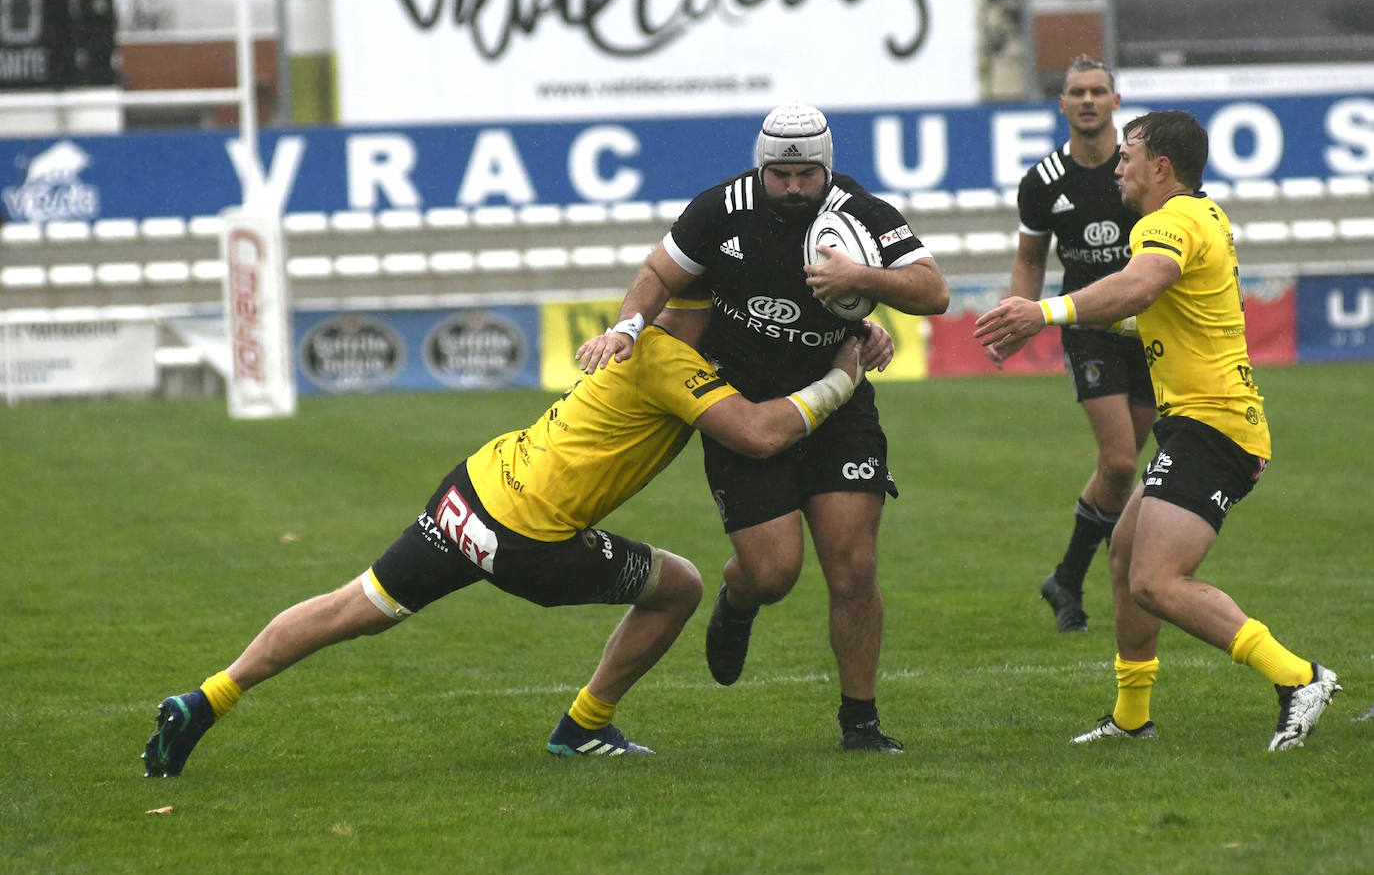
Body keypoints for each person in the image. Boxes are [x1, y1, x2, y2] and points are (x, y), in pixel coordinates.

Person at [141, 308, 893, 776]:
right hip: (531, 538)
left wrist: (853, 325)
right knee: (684, 588)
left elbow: (766, 341)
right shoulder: (672, 360)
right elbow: (761, 432)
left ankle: (206, 698)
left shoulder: (649, 340)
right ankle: (584, 728)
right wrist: (841, 373)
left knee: (354, 605)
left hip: (474, 487)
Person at [576, 102, 949, 753]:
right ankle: (739, 598)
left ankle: (860, 722)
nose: (795, 186)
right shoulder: (722, 208)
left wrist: (861, 282)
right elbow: (659, 274)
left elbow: (933, 291)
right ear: (762, 166)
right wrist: (627, 328)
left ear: (827, 168)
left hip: (837, 409)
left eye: (807, 174)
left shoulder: (860, 213)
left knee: (853, 566)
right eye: (782, 174)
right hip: (742, 404)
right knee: (773, 571)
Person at [974, 110, 1340, 751]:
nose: (1118, 165)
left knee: (1156, 579)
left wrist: (1045, 311)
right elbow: (1168, 312)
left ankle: (1299, 677)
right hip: (1200, 423)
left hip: (1215, 426)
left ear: (1161, 167)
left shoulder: (1168, 223)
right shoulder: (1204, 215)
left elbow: (1141, 286)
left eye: (1129, 155)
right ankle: (1132, 718)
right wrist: (1085, 323)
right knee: (1123, 555)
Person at [992, 55, 1156, 634]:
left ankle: (1065, 578)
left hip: (1150, 330)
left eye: (1097, 91)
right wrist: (1016, 317)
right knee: (1117, 460)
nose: (1087, 100)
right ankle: (1114, 574)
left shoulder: (1139, 174)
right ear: (1061, 105)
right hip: (1087, 330)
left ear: (1116, 101)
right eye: (1076, 92)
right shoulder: (1042, 181)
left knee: (1117, 474)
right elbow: (1030, 257)